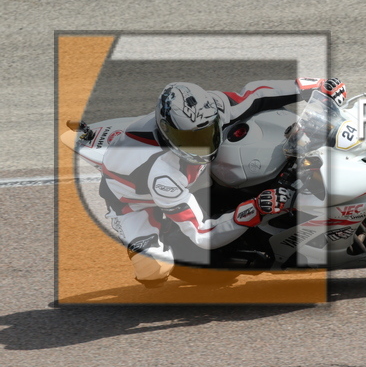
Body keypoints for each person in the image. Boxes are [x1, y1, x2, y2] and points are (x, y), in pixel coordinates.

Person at [99, 77, 347, 287]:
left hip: (184, 170)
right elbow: (202, 235)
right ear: (166, 131)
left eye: (206, 132)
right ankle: (142, 234)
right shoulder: (164, 176)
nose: (201, 144)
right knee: (154, 272)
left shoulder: (213, 107)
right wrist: (256, 208)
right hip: (136, 201)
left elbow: (256, 94)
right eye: (189, 138)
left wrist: (313, 86)